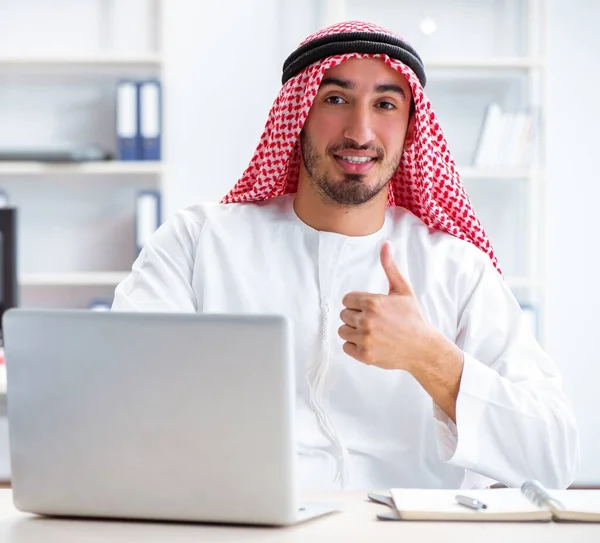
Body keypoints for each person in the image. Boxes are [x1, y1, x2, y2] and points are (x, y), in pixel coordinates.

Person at [112, 21, 579, 491]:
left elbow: (552, 460)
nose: (360, 131)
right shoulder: (198, 243)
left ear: (410, 127)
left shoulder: (457, 269)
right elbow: (117, 401)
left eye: (385, 104)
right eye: (335, 99)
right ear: (298, 116)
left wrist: (430, 357)